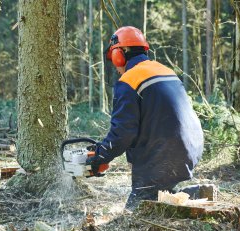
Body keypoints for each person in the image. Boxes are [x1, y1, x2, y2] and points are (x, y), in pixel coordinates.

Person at [87, 26, 204, 209]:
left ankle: (186, 196)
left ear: (121, 53)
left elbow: (123, 132)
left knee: (136, 212)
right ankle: (191, 194)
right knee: (160, 194)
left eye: (114, 58)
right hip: (191, 148)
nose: (116, 66)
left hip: (163, 155)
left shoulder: (129, 80)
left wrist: (99, 156)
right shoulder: (165, 70)